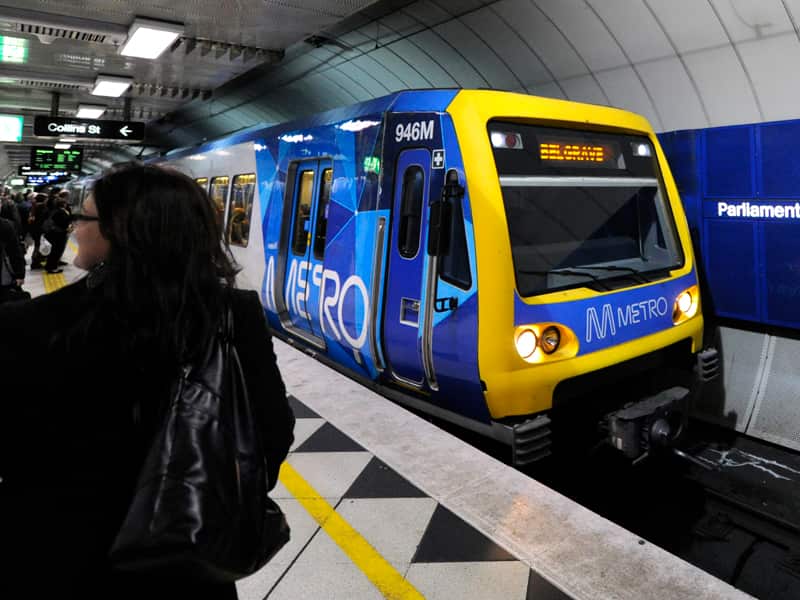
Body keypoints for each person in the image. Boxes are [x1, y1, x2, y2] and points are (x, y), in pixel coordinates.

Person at [0, 163, 295, 599]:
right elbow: (271, 432)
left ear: (119, 231)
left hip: (54, 554)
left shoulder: (28, 323)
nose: (76, 227)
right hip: (185, 559)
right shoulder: (234, 317)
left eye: (84, 217)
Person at [0, 214, 25, 303]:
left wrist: (20, 274)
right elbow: (15, 251)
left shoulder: (4, 225)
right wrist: (20, 274)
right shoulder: (5, 224)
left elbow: (15, 252)